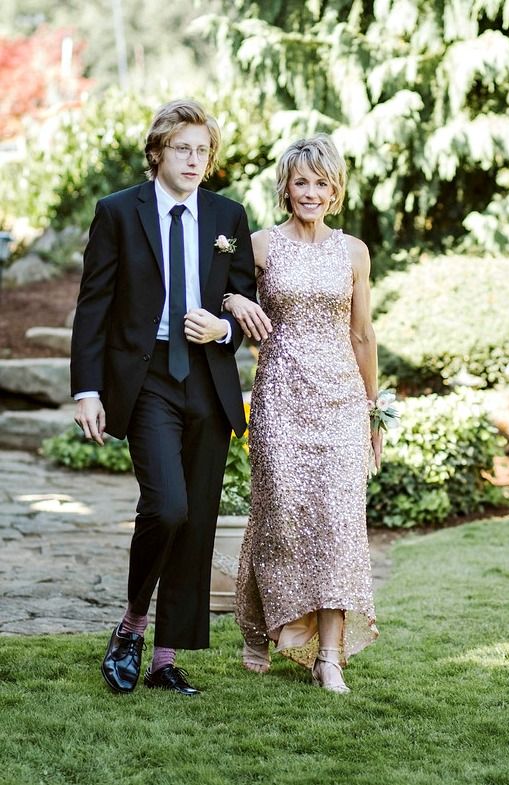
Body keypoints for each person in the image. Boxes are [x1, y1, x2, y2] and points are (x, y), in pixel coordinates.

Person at [71, 99, 270, 695]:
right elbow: (94, 306)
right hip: (147, 375)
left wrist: (226, 328)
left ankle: (164, 659)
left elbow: (241, 298)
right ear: (157, 152)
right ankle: (131, 626)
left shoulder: (228, 217)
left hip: (208, 380)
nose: (193, 159)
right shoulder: (117, 212)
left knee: (199, 520)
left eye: (203, 150)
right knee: (168, 507)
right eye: (182, 148)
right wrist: (86, 389)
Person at [225, 134, 382, 694]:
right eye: (301, 182)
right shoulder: (262, 246)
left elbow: (362, 334)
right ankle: (260, 625)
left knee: (341, 527)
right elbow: (214, 285)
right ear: (286, 188)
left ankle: (330, 658)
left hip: (340, 403)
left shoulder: (354, 251)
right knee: (280, 519)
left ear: (334, 190)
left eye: (321, 182)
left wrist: (372, 412)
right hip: (280, 400)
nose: (311, 192)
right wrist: (233, 300)